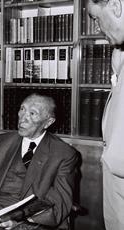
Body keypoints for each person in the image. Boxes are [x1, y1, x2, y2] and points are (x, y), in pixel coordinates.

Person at [0, 94, 78, 230]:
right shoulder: (2, 142)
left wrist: (18, 220)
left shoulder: (63, 154)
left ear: (48, 122)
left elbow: (60, 202)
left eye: (32, 113)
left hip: (33, 223)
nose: (23, 118)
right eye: (22, 109)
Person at [88, 1, 124, 229]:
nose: (96, 28)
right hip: (115, 172)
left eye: (96, 18)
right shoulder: (119, 53)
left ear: (115, 6)